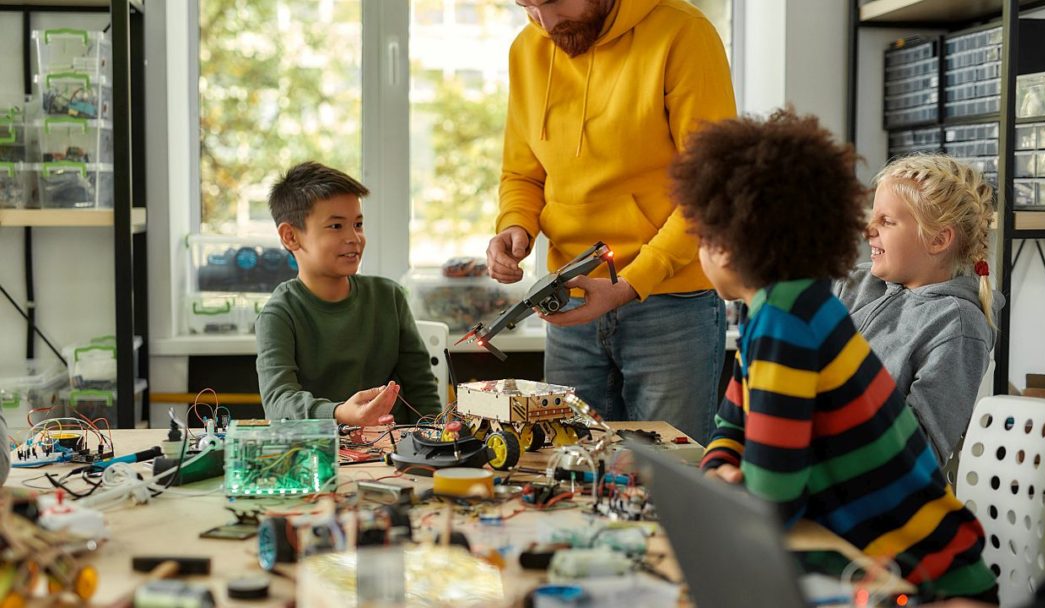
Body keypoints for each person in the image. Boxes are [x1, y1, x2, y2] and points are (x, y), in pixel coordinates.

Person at [675, 110, 997, 601]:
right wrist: (720, 469)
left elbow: (771, 503)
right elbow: (731, 425)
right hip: (849, 546)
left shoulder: (789, 319)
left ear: (726, 244)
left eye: (700, 234)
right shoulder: (773, 312)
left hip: (922, 577)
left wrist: (731, 493)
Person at [487, 0, 736, 443]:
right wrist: (515, 225)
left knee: (669, 477)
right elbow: (523, 173)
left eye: (551, 2)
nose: (545, 23)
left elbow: (712, 186)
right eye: (526, 6)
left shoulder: (683, 33)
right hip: (570, 302)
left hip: (671, 303)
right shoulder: (527, 49)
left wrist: (631, 282)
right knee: (566, 469)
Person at [835, 155, 1004, 466]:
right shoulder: (853, 283)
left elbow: (921, 453)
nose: (868, 230)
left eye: (886, 221)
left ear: (938, 239)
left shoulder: (957, 324)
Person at [256, 161, 441, 425]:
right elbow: (278, 402)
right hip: (319, 452)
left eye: (358, 224)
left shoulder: (389, 297)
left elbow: (421, 388)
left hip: (391, 447)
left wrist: (434, 440)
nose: (354, 237)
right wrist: (340, 413)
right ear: (290, 236)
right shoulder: (279, 314)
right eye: (336, 226)